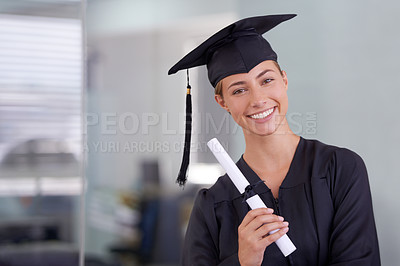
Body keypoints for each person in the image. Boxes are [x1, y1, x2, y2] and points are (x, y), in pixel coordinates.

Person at [168, 14, 380, 266]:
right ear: (222, 102)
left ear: (285, 80)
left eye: (267, 80)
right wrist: (243, 262)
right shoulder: (212, 205)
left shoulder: (340, 168)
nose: (258, 99)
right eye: (239, 90)